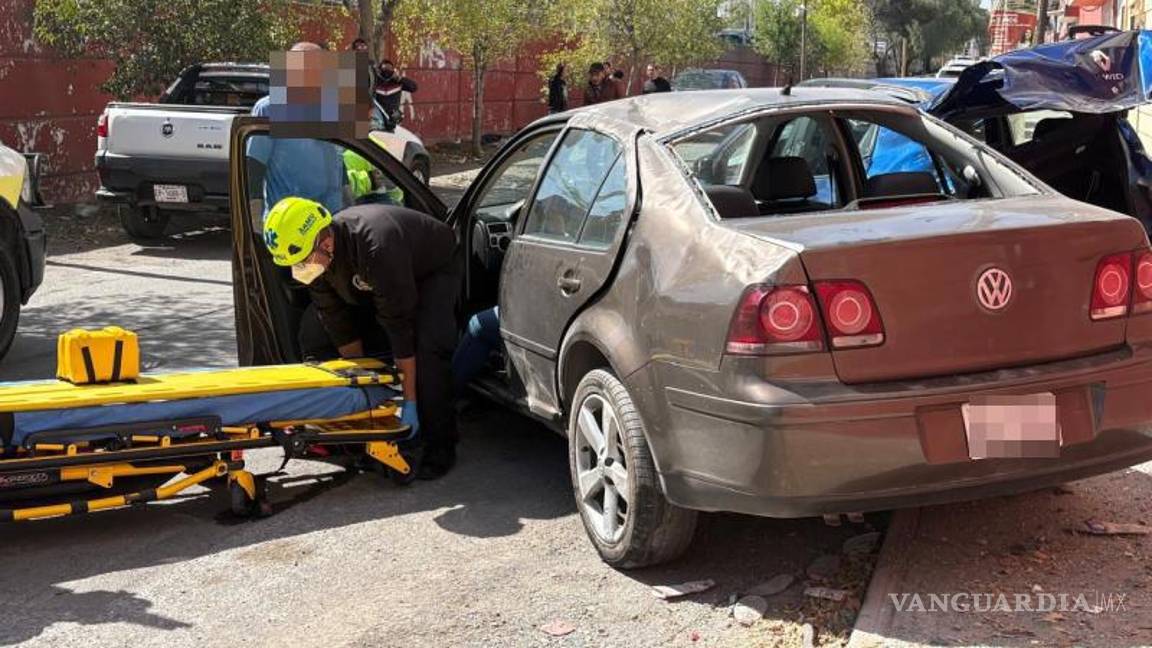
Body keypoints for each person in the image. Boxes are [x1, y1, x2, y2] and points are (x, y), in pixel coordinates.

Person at [263, 196, 461, 479]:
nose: (300, 269)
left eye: (303, 260)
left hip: (432, 270)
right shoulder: (318, 257)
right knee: (314, 334)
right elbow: (336, 320)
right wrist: (360, 382)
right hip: (378, 278)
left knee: (427, 349)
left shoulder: (377, 246)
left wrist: (410, 402)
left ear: (326, 243)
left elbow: (399, 329)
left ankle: (440, 444)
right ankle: (353, 428)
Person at [247, 42, 346, 219]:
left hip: (333, 220)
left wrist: (349, 205)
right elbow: (252, 171)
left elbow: (339, 163)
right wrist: (255, 227)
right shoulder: (269, 109)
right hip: (291, 224)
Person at [374, 59, 418, 127]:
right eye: (385, 69)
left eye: (389, 70)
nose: (387, 72)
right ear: (380, 70)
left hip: (393, 117)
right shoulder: (374, 82)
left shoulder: (397, 83)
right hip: (377, 117)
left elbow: (414, 87)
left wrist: (399, 79)